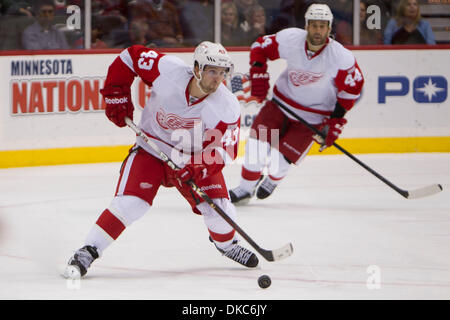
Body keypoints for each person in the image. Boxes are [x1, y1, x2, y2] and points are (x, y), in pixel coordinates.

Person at [63, 41, 259, 279]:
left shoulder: (227, 107)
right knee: (131, 204)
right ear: (197, 68)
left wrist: (199, 167)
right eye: (211, 71)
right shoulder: (168, 70)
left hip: (192, 161)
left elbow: (226, 150)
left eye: (221, 72)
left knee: (218, 210)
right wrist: (116, 93)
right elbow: (130, 57)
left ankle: (227, 245)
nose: (217, 79)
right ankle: (88, 250)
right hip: (151, 151)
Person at [229, 3, 364, 204]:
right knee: (255, 147)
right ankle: (245, 188)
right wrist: (258, 74)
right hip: (280, 104)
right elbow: (260, 47)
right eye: (314, 25)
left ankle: (273, 180)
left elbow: (352, 90)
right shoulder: (291, 38)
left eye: (322, 26)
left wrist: (334, 121)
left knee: (278, 162)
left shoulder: (341, 57)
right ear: (307, 25)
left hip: (314, 116)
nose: (318, 30)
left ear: (329, 28)